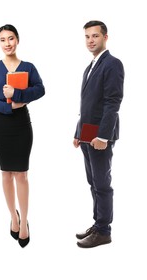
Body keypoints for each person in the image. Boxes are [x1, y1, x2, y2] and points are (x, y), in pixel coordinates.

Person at [0, 24, 45, 248]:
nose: (7, 43)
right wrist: (10, 106)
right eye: (2, 39)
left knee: (22, 175)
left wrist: (16, 94)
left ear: (18, 40)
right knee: (6, 173)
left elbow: (40, 89)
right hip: (1, 125)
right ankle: (13, 216)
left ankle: (25, 222)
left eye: (11, 38)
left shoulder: (28, 67)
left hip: (21, 126)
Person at [74, 20, 123, 248]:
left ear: (105, 37)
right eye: (87, 36)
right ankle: (98, 223)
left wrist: (103, 136)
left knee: (102, 183)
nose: (90, 40)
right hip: (87, 131)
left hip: (101, 132)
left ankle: (104, 230)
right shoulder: (90, 66)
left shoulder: (112, 64)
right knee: (92, 181)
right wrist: (78, 133)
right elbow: (87, 104)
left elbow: (112, 102)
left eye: (95, 36)